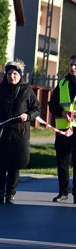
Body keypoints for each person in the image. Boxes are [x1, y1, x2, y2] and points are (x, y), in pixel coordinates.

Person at [0, 61, 40, 204]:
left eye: (15, 74)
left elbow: (36, 109)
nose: (12, 76)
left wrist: (28, 116)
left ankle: (10, 192)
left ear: (20, 75)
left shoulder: (27, 90)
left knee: (15, 163)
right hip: (1, 132)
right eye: (9, 73)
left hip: (19, 133)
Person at [48, 55, 76, 201]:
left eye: (75, 65)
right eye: (71, 65)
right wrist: (62, 112)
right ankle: (63, 192)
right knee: (62, 162)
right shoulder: (63, 84)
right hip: (63, 129)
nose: (73, 68)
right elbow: (51, 104)